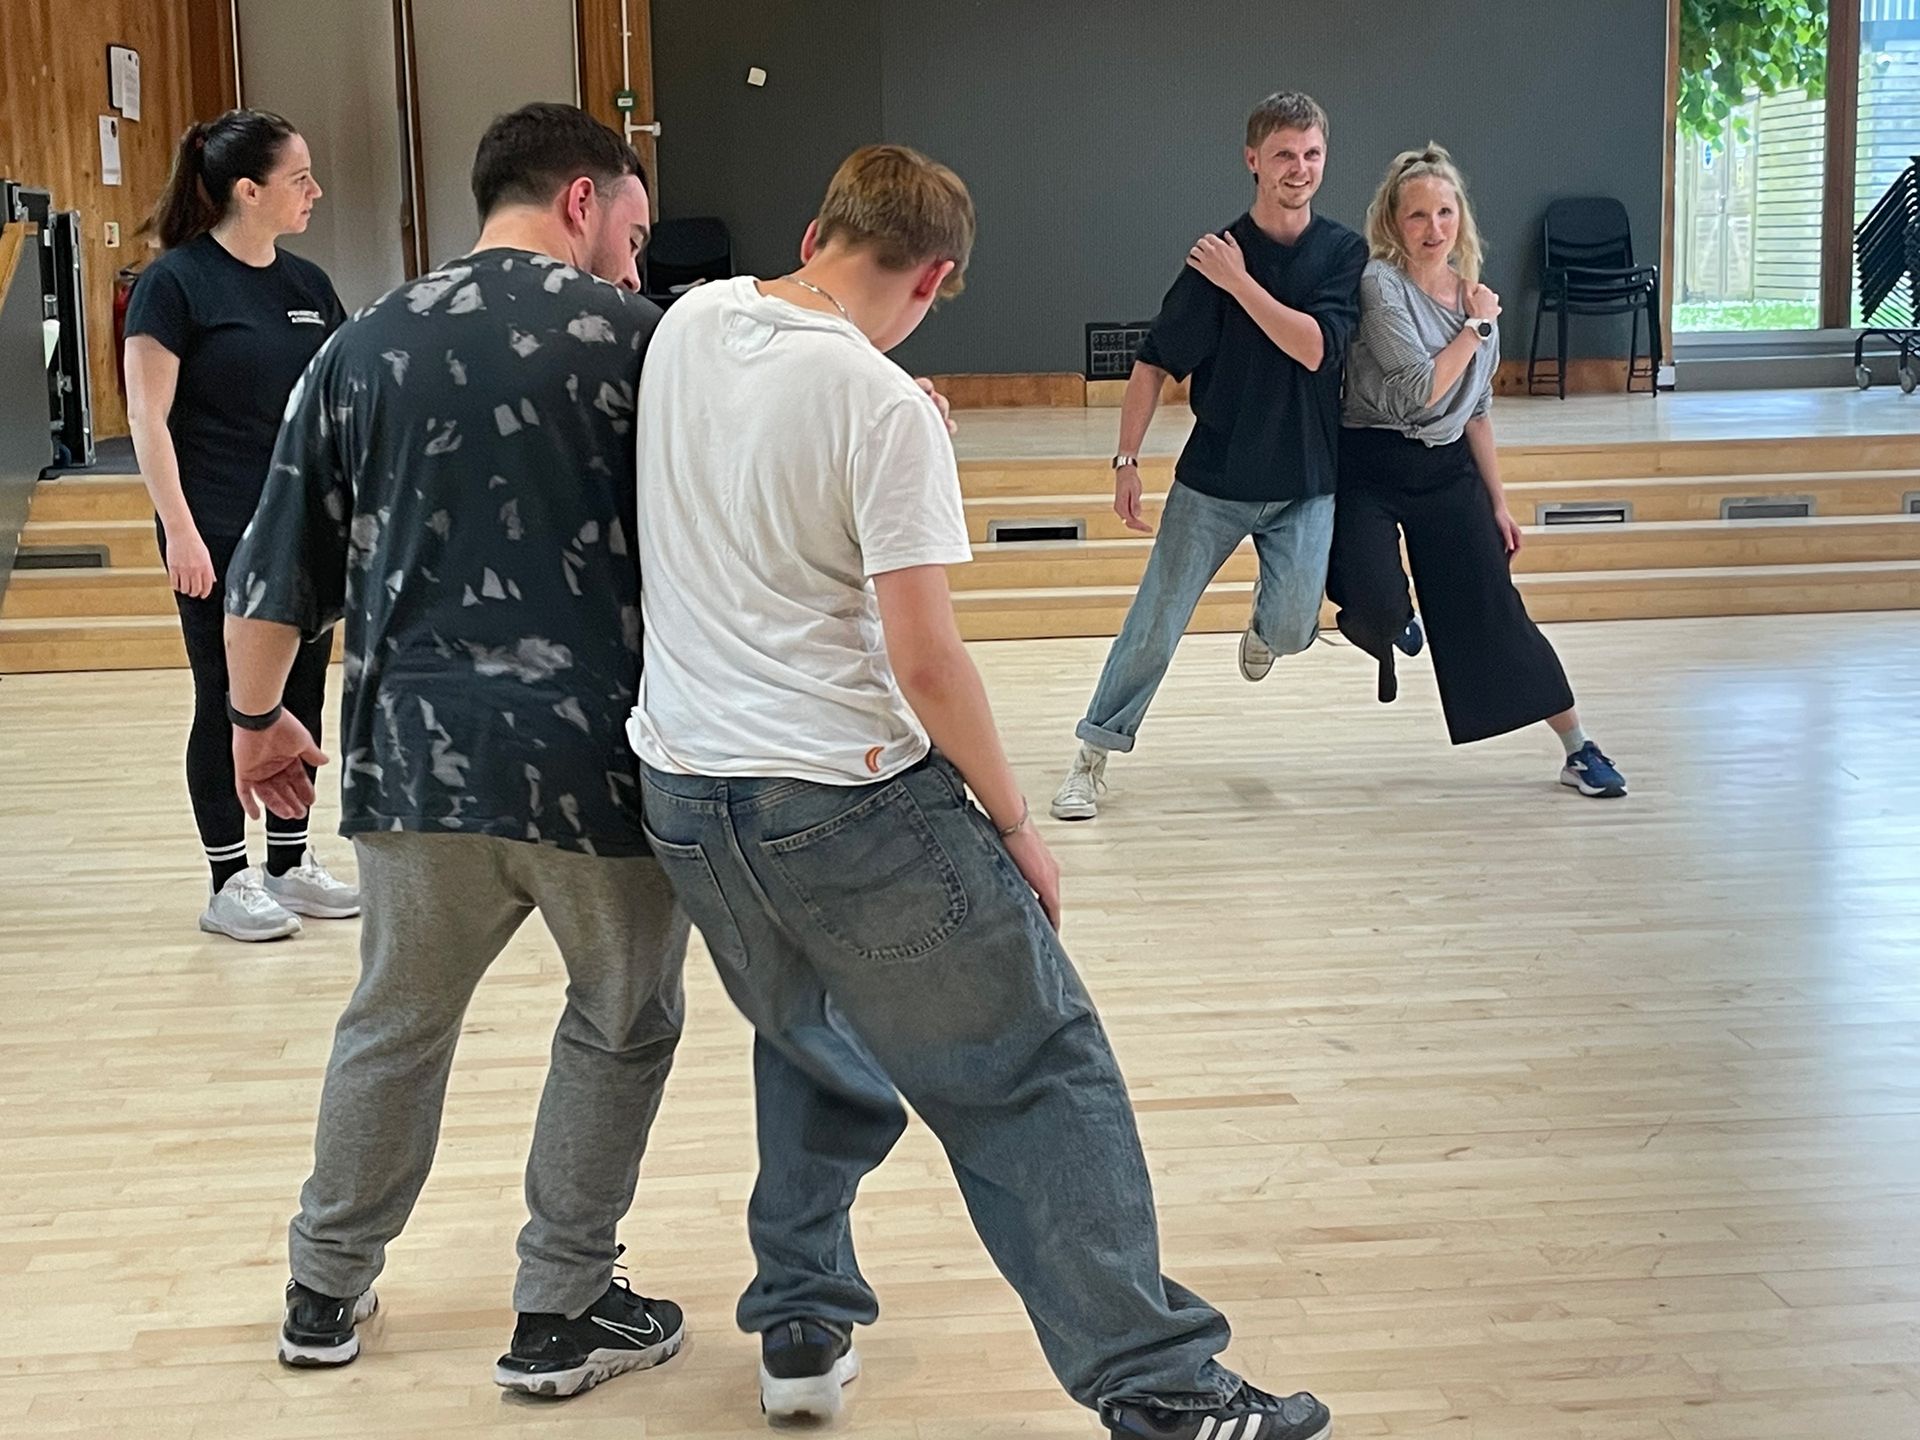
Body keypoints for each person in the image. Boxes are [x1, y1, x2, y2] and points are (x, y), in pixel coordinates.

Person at [629, 143, 1332, 1440]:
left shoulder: (688, 320)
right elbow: (927, 660)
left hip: (683, 791)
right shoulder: (883, 407)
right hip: (837, 803)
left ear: (816, 226)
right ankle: (1162, 1388)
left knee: (808, 1044)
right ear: (938, 277)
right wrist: (1015, 823)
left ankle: (801, 1324)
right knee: (1036, 1069)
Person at [221, 103, 692, 1396]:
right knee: (621, 1017)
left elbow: (270, 578)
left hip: (412, 762)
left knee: (394, 1022)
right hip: (605, 767)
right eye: (633, 234)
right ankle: (563, 1307)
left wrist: (259, 725)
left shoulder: (361, 349)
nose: (636, 267)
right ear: (584, 202)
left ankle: (323, 1291)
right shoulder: (645, 347)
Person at [1050, 91, 1369, 822]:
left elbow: (1316, 348)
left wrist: (1242, 285)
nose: (1300, 169)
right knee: (1153, 626)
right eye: (1285, 154)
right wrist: (1125, 459)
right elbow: (1153, 362)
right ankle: (1092, 757)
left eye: (1312, 154)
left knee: (1293, 630)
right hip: (1216, 479)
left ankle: (1264, 629)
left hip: (1306, 481)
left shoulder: (1341, 252)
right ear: (1253, 159)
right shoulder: (1214, 260)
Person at [1328, 144, 1628, 797]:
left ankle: (1578, 748)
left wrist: (1498, 501)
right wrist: (1480, 327)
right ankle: (1389, 622)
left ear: (1460, 216)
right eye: (1417, 217)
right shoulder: (1381, 285)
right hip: (1373, 461)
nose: (1434, 229)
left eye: (1445, 212)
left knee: (1498, 612)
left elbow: (1477, 411)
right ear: (1392, 223)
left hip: (1448, 470)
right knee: (1376, 605)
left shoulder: (1476, 297)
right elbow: (1419, 392)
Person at [123, 109, 358, 941]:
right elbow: (147, 420)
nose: (315, 192)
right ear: (247, 191)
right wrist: (179, 531)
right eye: (300, 179)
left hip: (301, 530)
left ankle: (290, 864)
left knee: (298, 690)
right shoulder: (175, 283)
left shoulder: (307, 288)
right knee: (227, 699)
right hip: (215, 531)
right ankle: (229, 878)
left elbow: (339, 406)